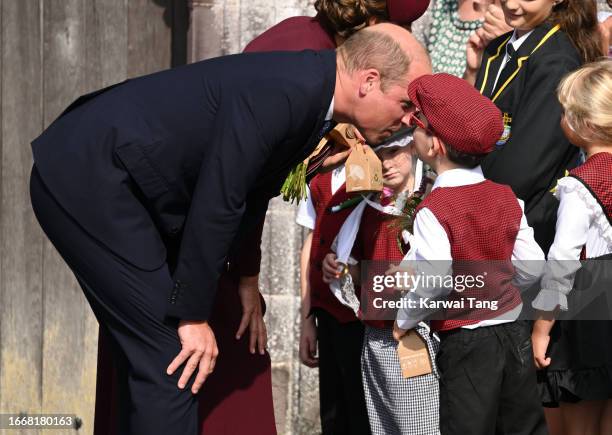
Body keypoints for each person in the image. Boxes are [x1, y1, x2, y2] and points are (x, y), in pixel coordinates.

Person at [29, 23, 424, 435]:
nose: (407, 121)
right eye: (403, 105)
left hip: (122, 189)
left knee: (160, 361)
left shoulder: (313, 93)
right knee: (173, 360)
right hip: (91, 177)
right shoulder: (289, 91)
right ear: (369, 81)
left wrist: (244, 277)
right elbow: (221, 196)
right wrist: (193, 315)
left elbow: (252, 191)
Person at [393, 73, 546, 435]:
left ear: (435, 146)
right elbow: (533, 267)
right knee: (522, 426)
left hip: (466, 341)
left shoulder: (436, 208)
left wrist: (404, 320)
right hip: (513, 333)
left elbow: (434, 281)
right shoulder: (507, 196)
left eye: (416, 122)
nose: (408, 126)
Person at [322, 129, 439, 435]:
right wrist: (339, 269)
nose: (386, 164)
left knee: (420, 428)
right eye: (378, 155)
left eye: (393, 153)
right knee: (382, 427)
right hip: (375, 335)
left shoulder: (433, 201)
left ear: (412, 149)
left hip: (418, 334)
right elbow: (362, 274)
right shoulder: (365, 208)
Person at [466, 0, 601, 252]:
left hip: (527, 226)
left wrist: (467, 199)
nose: (512, 4)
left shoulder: (556, 59)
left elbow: (525, 164)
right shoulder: (498, 47)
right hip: (488, 211)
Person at [531, 59, 612, 435]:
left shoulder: (580, 186)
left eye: (566, 113)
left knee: (579, 420)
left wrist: (542, 326)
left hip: (588, 312)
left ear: (587, 124)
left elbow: (563, 261)